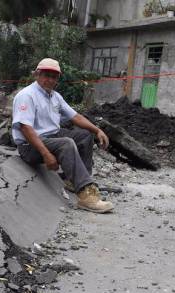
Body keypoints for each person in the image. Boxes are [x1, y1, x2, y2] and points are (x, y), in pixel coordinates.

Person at [12, 58, 114, 214]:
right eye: (46, 75)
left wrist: (97, 130)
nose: (50, 80)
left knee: (85, 136)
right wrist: (46, 154)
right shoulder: (27, 95)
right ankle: (87, 197)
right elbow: (25, 128)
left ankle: (76, 181)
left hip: (51, 136)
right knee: (66, 143)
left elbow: (75, 117)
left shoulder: (54, 96)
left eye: (54, 77)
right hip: (29, 146)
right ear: (37, 74)